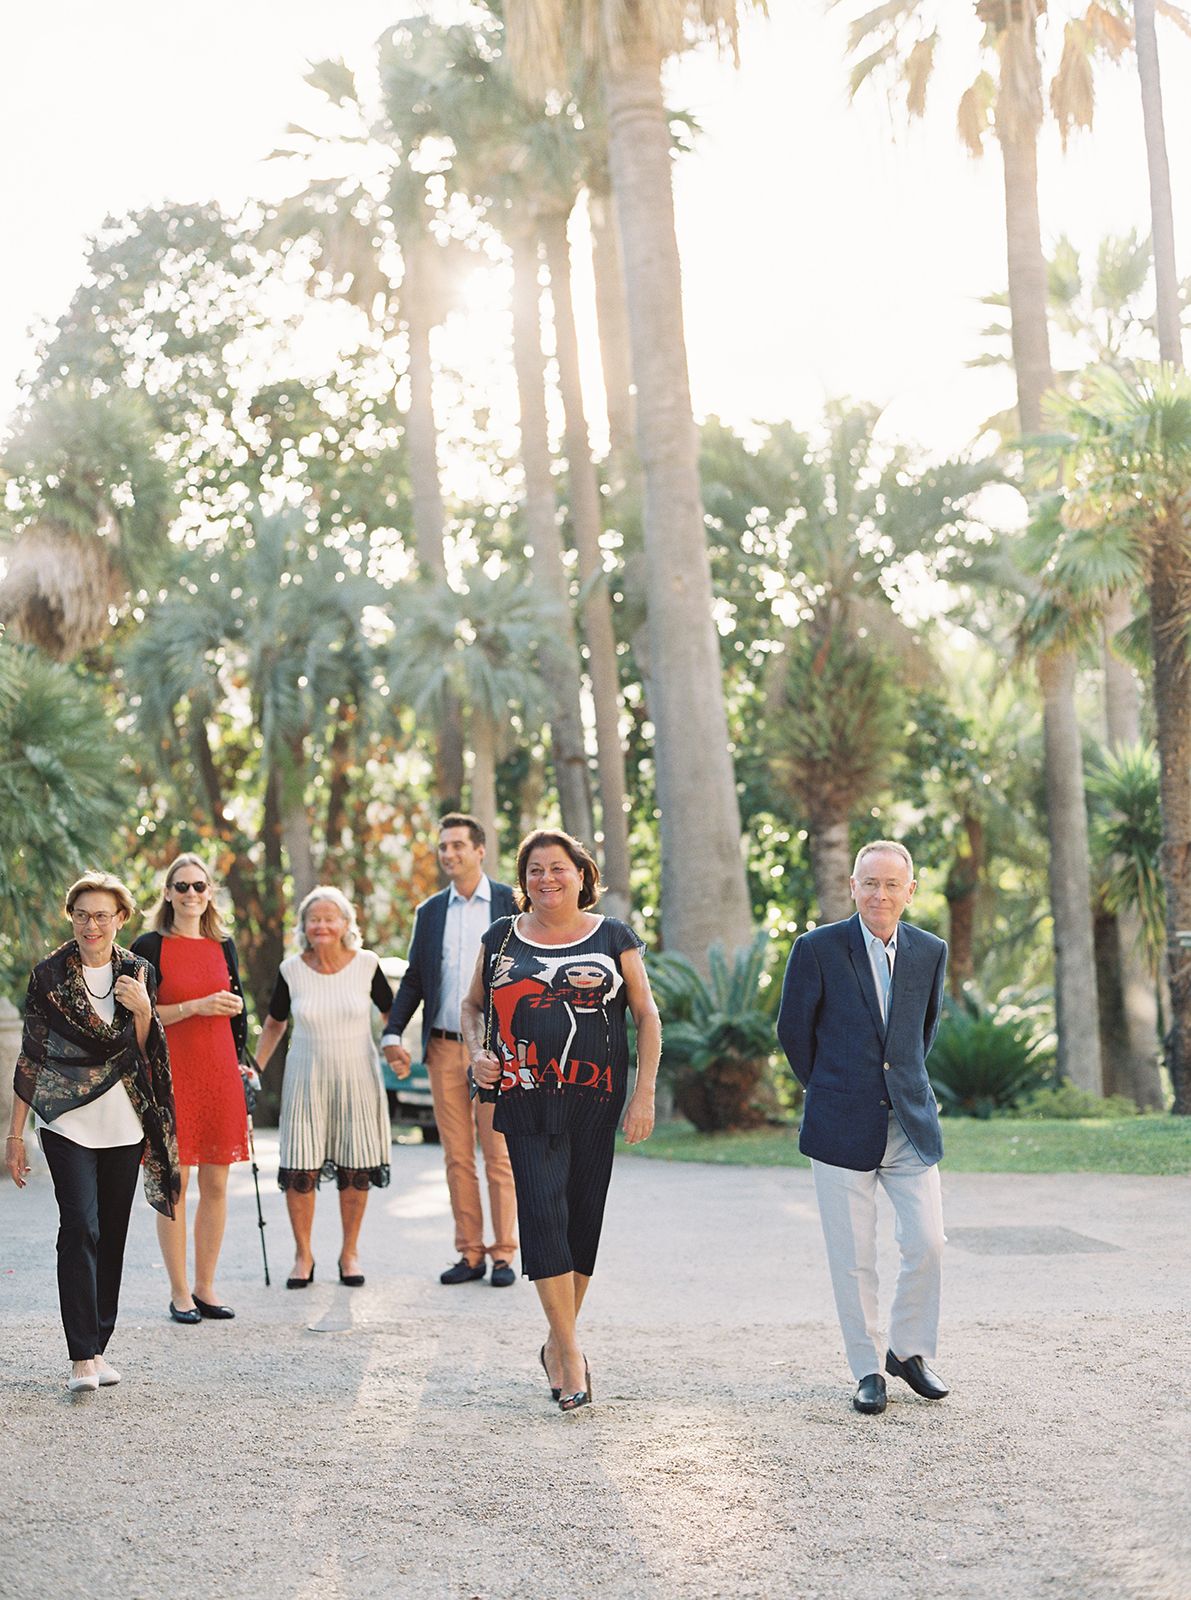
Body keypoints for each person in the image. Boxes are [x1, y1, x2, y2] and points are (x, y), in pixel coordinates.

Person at [462, 829, 660, 1412]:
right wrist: (478, 1053)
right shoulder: (501, 937)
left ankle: (555, 1341)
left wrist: (643, 1093)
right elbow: (473, 1006)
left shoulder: (613, 936)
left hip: (597, 1100)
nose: (546, 879)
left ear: (582, 875)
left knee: (582, 1221)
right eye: (533, 871)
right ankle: (570, 1355)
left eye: (558, 868)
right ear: (523, 882)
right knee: (543, 1213)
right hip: (522, 1098)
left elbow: (646, 1016)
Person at [776, 840, 950, 1416]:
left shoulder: (930, 951)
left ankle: (909, 1351)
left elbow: (921, 1036)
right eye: (869, 883)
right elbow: (793, 1033)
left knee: (927, 1241)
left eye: (891, 884)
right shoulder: (818, 948)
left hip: (908, 1121)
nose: (880, 894)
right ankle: (868, 1368)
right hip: (839, 1122)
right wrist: (831, 1087)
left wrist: (896, 1086)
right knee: (853, 1255)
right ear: (852, 886)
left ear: (909, 891)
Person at [5, 873, 179, 1392]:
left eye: (102, 915)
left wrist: (144, 1009)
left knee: (113, 1234)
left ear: (120, 919)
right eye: (82, 914)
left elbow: (146, 1052)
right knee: (79, 1224)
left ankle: (99, 1345)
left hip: (124, 1122)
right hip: (66, 1120)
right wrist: (14, 1136)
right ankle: (81, 1356)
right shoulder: (49, 976)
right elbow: (33, 1056)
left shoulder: (138, 971)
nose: (91, 924)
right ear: (71, 918)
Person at [381, 814, 520, 1287]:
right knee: (457, 1156)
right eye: (443, 847)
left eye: (458, 845)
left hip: (494, 1053)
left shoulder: (510, 904)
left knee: (497, 1153)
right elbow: (416, 981)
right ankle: (470, 1253)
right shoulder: (430, 912)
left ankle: (504, 1254)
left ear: (480, 851)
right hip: (442, 1047)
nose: (449, 853)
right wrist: (393, 1032)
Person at [254, 887, 397, 1290]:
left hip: (358, 1077)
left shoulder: (367, 965)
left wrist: (395, 1047)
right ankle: (303, 1255)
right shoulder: (291, 970)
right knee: (301, 1166)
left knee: (356, 1166)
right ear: (303, 926)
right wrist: (254, 1068)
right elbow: (275, 1023)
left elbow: (391, 1014)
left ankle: (349, 1252)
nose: (322, 925)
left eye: (330, 918)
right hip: (306, 1079)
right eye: (313, 919)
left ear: (346, 924)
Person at [132, 854, 248, 1324]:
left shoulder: (225, 945)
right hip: (170, 1074)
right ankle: (179, 1292)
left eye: (199, 886)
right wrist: (197, 1006)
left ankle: (205, 1287)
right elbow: (138, 1018)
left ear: (210, 892)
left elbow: (238, 1015)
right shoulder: (149, 946)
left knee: (216, 1182)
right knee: (173, 1184)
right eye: (181, 886)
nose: (191, 894)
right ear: (167, 892)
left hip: (220, 1070)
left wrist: (243, 1056)